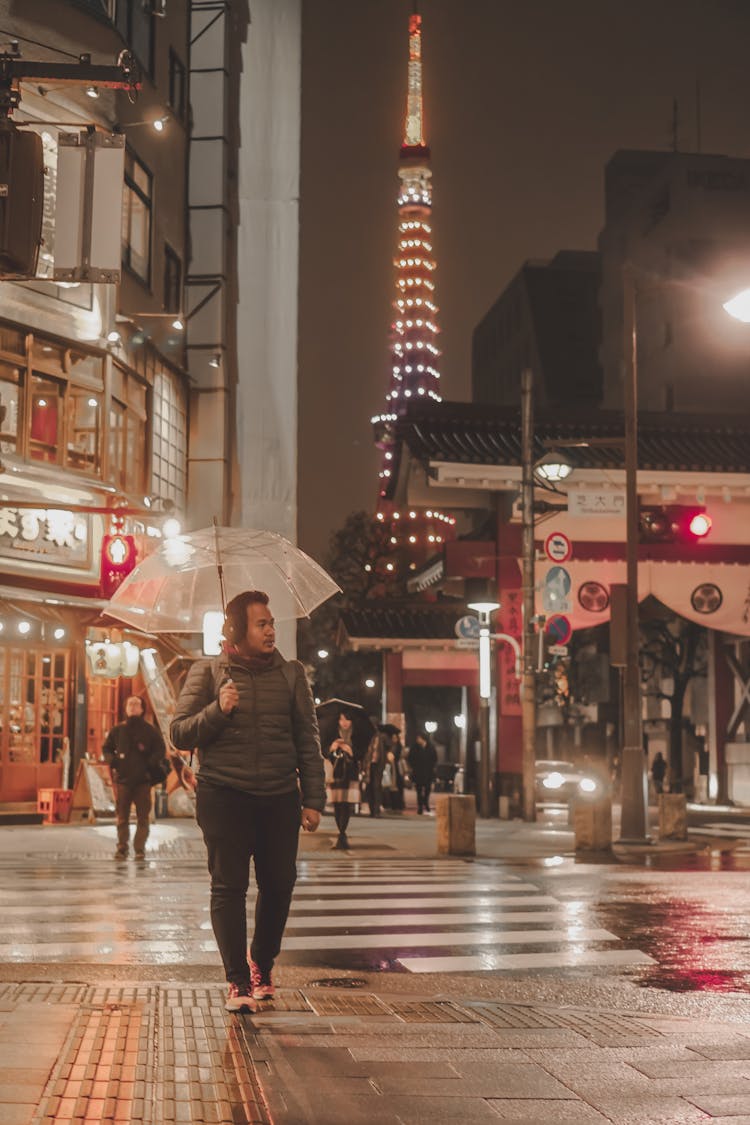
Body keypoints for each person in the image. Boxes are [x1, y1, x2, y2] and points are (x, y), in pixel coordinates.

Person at [170, 589, 325, 1014]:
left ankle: (262, 962)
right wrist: (218, 710)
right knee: (229, 888)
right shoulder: (207, 673)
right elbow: (179, 732)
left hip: (279, 797)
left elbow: (308, 741)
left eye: (272, 622)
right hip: (224, 795)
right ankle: (237, 980)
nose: (271, 629)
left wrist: (313, 799)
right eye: (262, 623)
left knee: (280, 884)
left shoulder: (292, 675)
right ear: (237, 630)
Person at [103, 695, 167, 861]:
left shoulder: (149, 730)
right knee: (122, 816)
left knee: (143, 817)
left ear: (142, 708)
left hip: (142, 781)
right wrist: (114, 762)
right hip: (123, 780)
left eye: (136, 704)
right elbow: (107, 748)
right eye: (130, 703)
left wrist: (150, 764)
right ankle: (122, 847)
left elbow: (160, 749)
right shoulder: (118, 730)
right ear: (125, 708)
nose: (132, 706)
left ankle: (139, 849)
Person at [322, 709, 367, 849]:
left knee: (346, 805)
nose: (344, 723)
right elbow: (323, 752)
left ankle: (342, 834)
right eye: (341, 719)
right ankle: (341, 834)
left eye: (347, 719)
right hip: (335, 774)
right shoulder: (331, 734)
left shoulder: (357, 735)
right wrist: (332, 748)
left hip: (350, 774)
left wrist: (350, 751)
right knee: (337, 805)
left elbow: (362, 754)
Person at [408, 732, 438, 815]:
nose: (418, 740)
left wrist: (432, 767)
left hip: (428, 772)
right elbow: (410, 758)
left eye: (419, 738)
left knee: (428, 789)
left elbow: (434, 758)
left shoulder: (431, 747)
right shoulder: (414, 747)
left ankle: (426, 803)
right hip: (418, 772)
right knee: (419, 790)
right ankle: (420, 806)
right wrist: (414, 766)